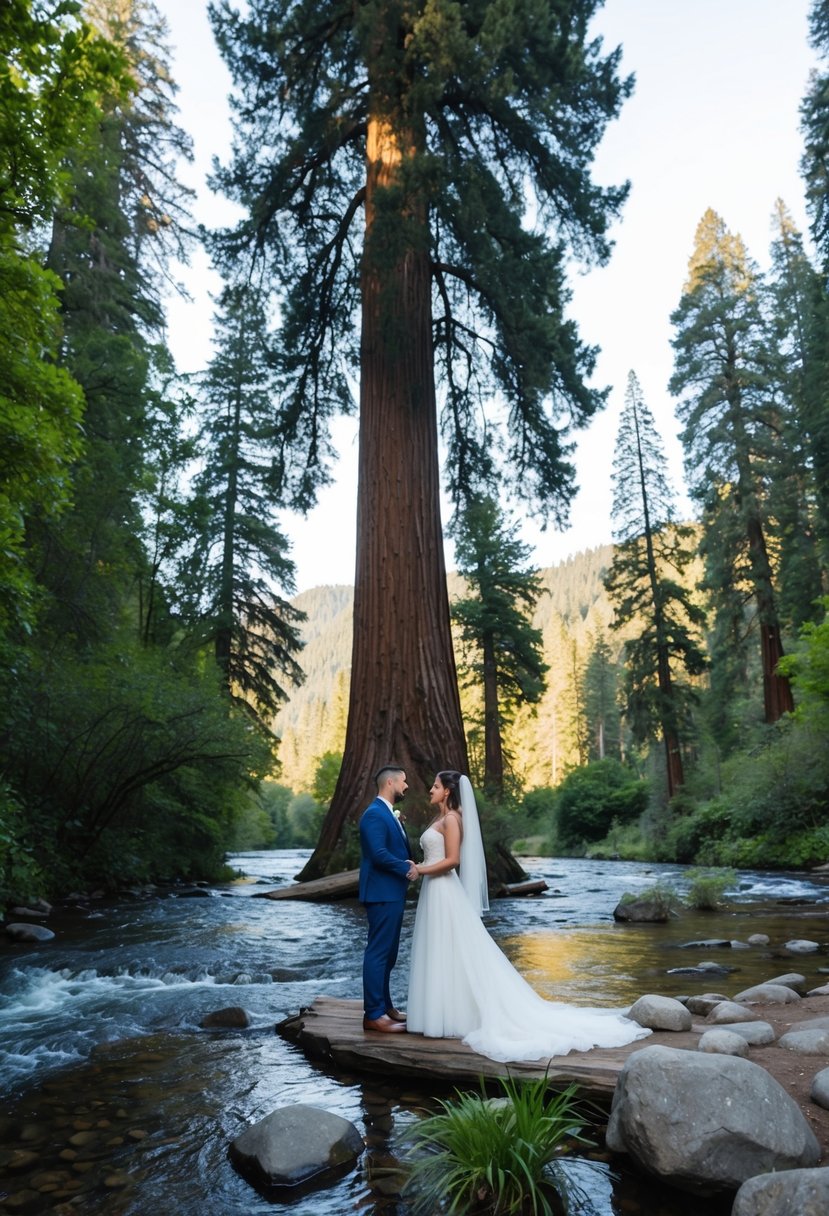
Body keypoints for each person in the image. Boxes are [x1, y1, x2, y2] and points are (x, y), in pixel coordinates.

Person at [406, 769, 651, 1062]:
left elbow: (452, 861)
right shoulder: (439, 818)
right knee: (441, 952)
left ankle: (457, 1017)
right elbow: (436, 857)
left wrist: (421, 869)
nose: (429, 790)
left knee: (456, 951)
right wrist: (419, 865)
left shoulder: (452, 819)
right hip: (433, 893)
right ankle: (438, 1015)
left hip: (445, 893)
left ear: (447, 791)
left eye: (434, 786)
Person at [359, 765, 418, 1033]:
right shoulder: (373, 815)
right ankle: (373, 1015)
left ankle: (386, 1007)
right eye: (404, 782)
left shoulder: (387, 814)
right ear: (391, 782)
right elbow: (378, 855)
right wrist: (406, 867)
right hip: (381, 892)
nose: (407, 786)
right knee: (378, 953)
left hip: (391, 892)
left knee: (389, 954)